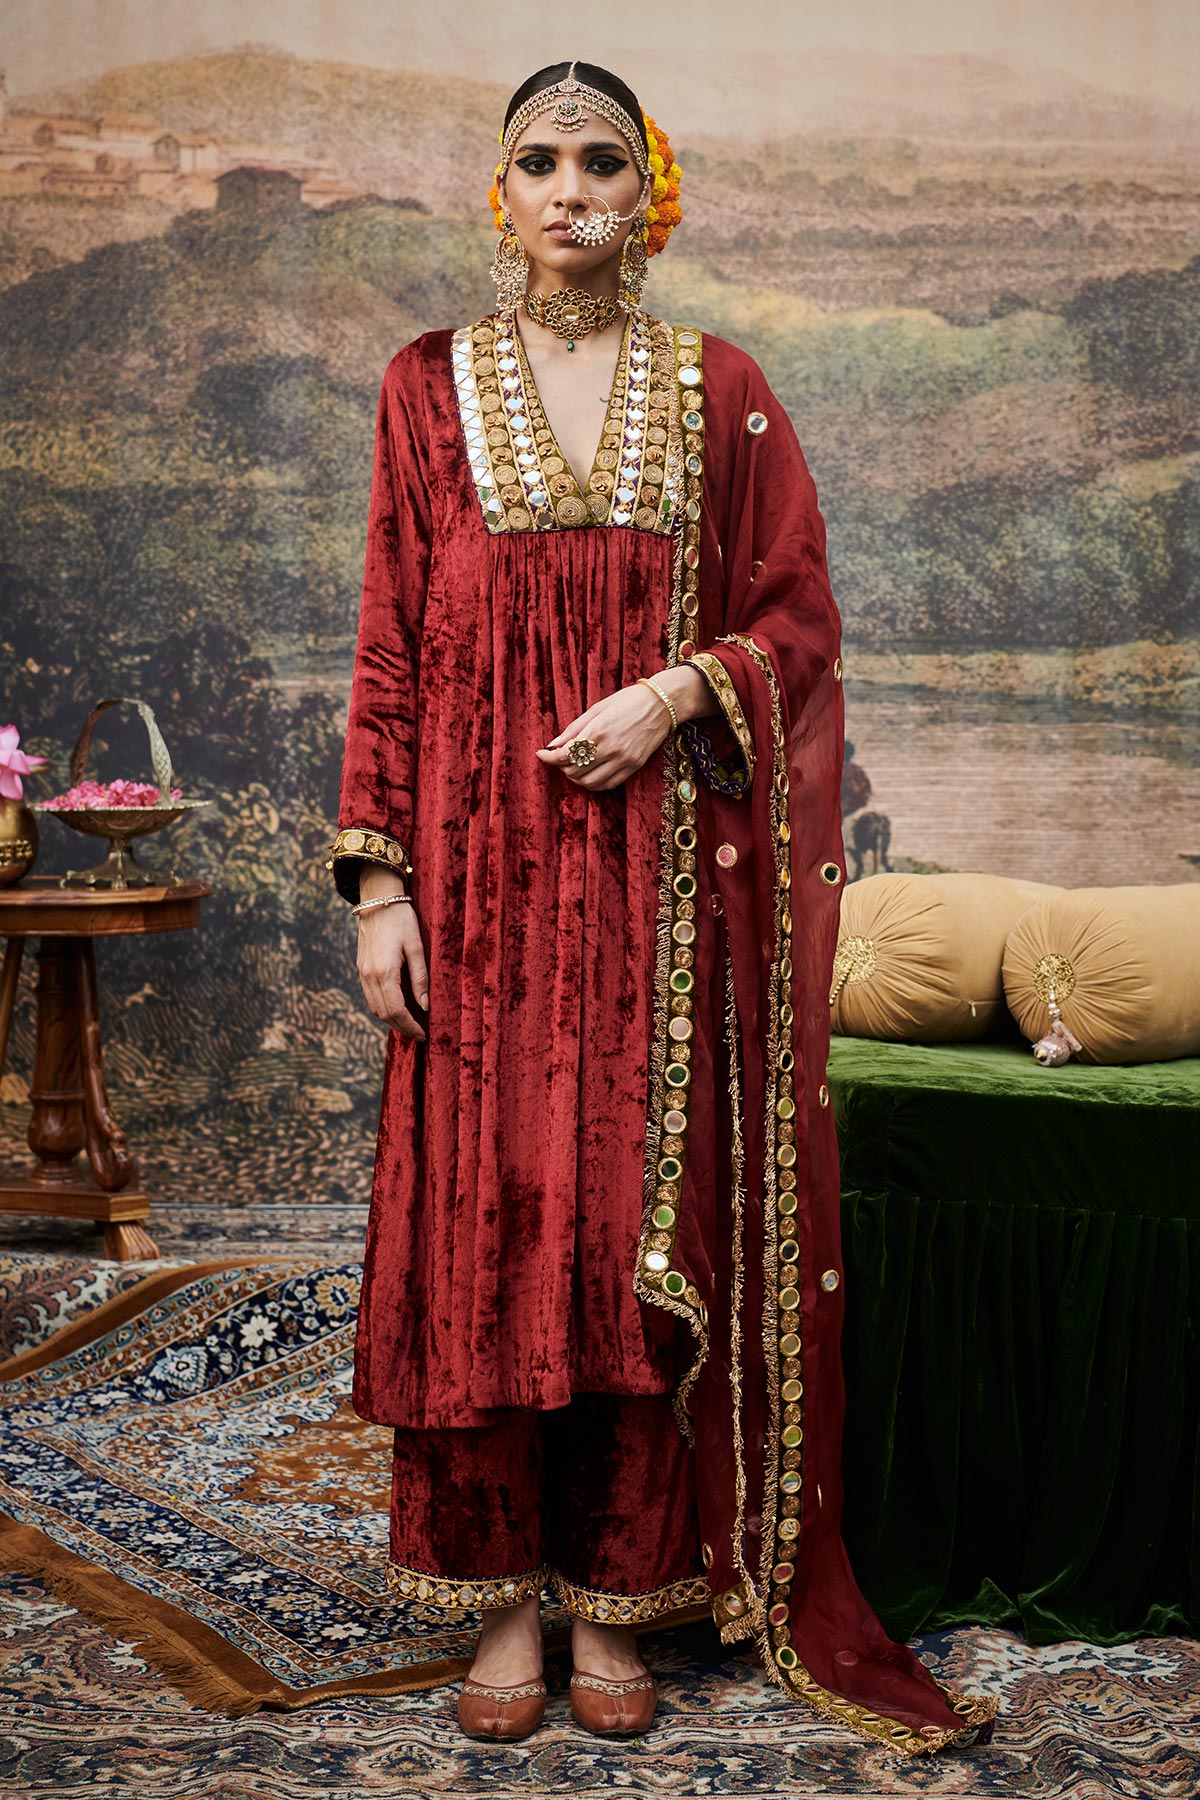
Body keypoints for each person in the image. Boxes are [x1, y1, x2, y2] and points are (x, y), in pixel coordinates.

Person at [328, 59, 999, 1755]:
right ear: (499, 192)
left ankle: (619, 1594)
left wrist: (678, 694)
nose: (570, 191)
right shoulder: (423, 385)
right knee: (484, 1226)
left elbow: (799, 620)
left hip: (656, 893)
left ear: (651, 192)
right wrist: (380, 885)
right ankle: (500, 1595)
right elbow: (391, 640)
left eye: (602, 163)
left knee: (634, 1217)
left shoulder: (720, 390)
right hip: (471, 884)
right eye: (540, 161)